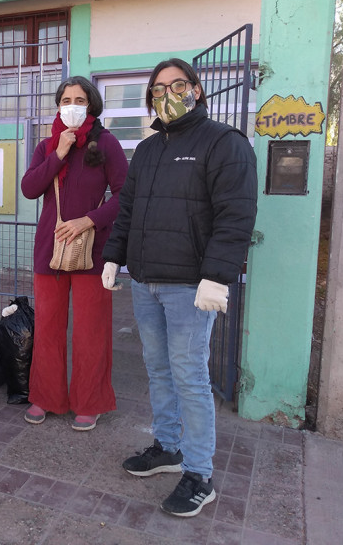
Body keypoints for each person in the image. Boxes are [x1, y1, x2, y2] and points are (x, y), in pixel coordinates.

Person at [102, 58, 257, 518]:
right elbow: (126, 208)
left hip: (190, 286)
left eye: (177, 84)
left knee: (189, 376)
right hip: (145, 281)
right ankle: (167, 447)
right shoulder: (148, 150)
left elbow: (236, 214)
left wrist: (217, 274)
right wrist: (114, 254)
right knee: (158, 369)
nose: (167, 93)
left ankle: (199, 474)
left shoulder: (224, 143)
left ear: (197, 89)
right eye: (158, 88)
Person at [20, 76, 128, 431]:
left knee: (89, 330)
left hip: (92, 253)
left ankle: (89, 401)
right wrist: (59, 153)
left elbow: (126, 196)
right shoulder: (47, 145)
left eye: (80, 100)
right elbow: (30, 188)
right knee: (48, 327)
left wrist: (89, 221)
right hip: (48, 254)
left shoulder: (107, 144)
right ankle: (46, 397)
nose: (72, 105)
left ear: (91, 106)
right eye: (66, 99)